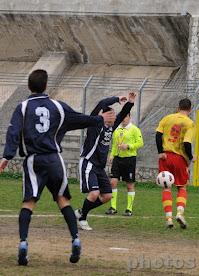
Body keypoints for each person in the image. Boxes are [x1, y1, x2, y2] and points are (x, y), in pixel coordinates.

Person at [0, 69, 115, 265]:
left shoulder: (23, 107)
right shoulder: (57, 107)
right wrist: (99, 119)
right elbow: (78, 119)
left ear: (29, 86)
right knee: (63, 201)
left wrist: (6, 156)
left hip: (33, 160)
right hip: (54, 159)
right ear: (46, 86)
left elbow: (13, 131)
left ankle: (23, 244)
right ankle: (75, 239)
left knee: (28, 203)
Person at [75, 93, 136, 230]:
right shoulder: (94, 124)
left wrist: (130, 102)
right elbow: (101, 103)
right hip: (89, 163)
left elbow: (123, 113)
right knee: (95, 193)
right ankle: (83, 218)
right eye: (112, 114)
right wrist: (116, 99)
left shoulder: (110, 128)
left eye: (115, 114)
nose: (115, 116)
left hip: (99, 167)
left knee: (107, 195)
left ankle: (80, 212)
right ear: (105, 115)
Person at [155, 98, 195, 229]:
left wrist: (160, 151)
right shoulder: (189, 123)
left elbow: (158, 134)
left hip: (165, 157)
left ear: (178, 107)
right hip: (179, 158)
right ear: (189, 109)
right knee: (182, 187)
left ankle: (169, 219)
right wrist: (191, 156)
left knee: (167, 188)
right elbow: (187, 143)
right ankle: (179, 213)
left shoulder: (167, 118)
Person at [106, 113, 143, 216]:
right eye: (121, 117)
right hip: (117, 159)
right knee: (113, 182)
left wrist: (128, 146)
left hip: (129, 159)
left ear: (129, 117)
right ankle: (113, 207)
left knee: (129, 185)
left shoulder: (134, 129)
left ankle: (129, 209)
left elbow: (140, 143)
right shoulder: (116, 130)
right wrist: (112, 155)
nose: (123, 119)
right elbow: (114, 145)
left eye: (125, 117)